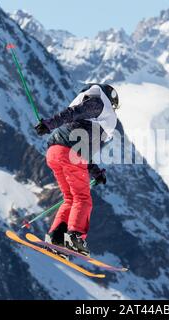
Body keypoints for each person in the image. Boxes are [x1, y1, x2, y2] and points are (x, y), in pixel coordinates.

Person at [35, 83, 119, 256]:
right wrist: (50, 123)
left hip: (55, 152)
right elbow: (73, 113)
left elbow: (82, 151)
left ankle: (56, 239)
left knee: (70, 199)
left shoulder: (93, 115)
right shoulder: (99, 104)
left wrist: (96, 172)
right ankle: (74, 237)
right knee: (82, 198)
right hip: (70, 153)